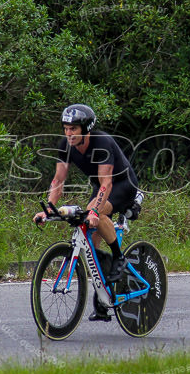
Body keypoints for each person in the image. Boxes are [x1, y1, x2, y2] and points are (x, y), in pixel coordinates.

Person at [32, 104, 142, 318]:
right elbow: (58, 180)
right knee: (92, 244)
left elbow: (106, 185)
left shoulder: (102, 143)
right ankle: (104, 297)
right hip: (100, 186)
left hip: (122, 185)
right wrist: (49, 210)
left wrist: (94, 212)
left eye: (73, 128)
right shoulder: (66, 145)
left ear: (86, 128)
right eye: (65, 128)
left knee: (96, 215)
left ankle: (119, 258)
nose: (68, 133)